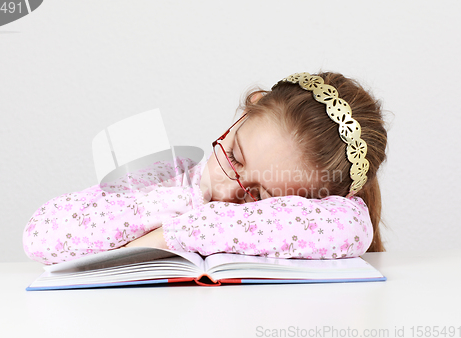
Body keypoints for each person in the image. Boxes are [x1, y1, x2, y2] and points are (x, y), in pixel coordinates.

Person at [23, 71, 388, 265]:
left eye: (260, 195)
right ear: (247, 111)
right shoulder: (168, 174)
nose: (231, 190)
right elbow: (41, 235)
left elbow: (351, 229)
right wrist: (187, 199)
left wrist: (174, 235)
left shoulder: (336, 217)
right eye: (236, 157)